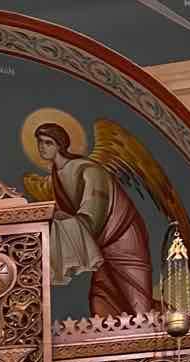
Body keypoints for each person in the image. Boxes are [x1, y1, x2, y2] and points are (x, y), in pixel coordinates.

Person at [35, 122, 153, 318]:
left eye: (48, 143)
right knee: (101, 303)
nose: (42, 147)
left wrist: (61, 223)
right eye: (40, 142)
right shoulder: (56, 175)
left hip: (123, 239)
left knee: (138, 306)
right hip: (101, 244)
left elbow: (92, 215)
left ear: (60, 145)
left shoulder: (88, 170)